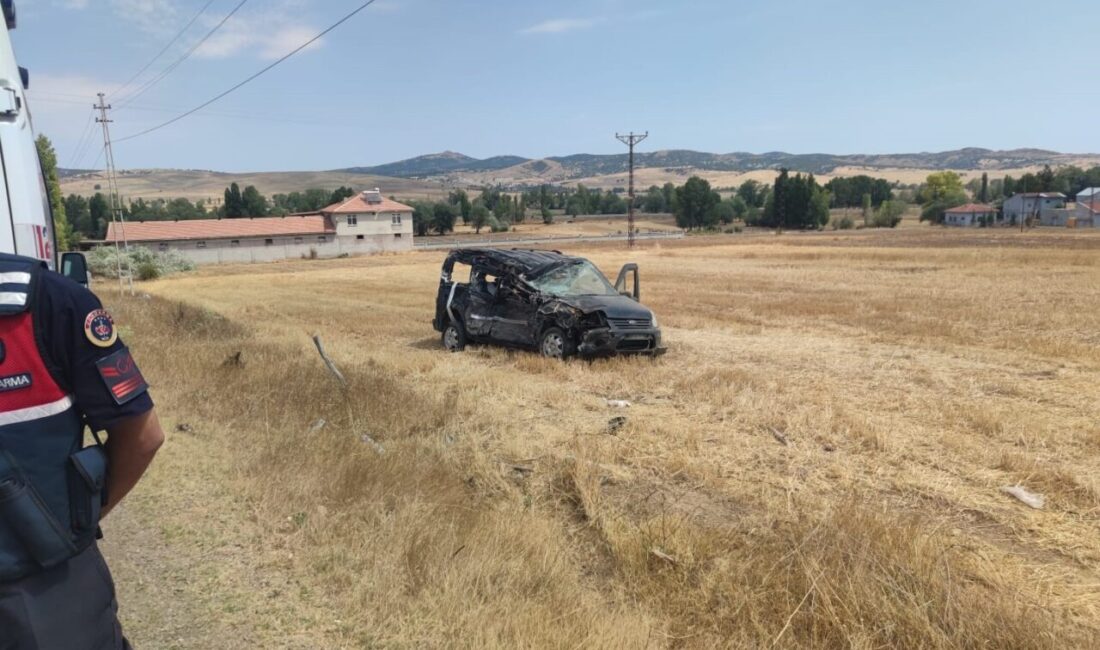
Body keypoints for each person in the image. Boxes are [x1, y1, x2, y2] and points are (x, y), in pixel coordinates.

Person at [0, 253, 164, 649]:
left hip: (42, 587)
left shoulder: (50, 303)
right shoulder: (59, 300)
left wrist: (75, 522)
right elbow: (143, 436)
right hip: (49, 593)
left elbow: (141, 435)